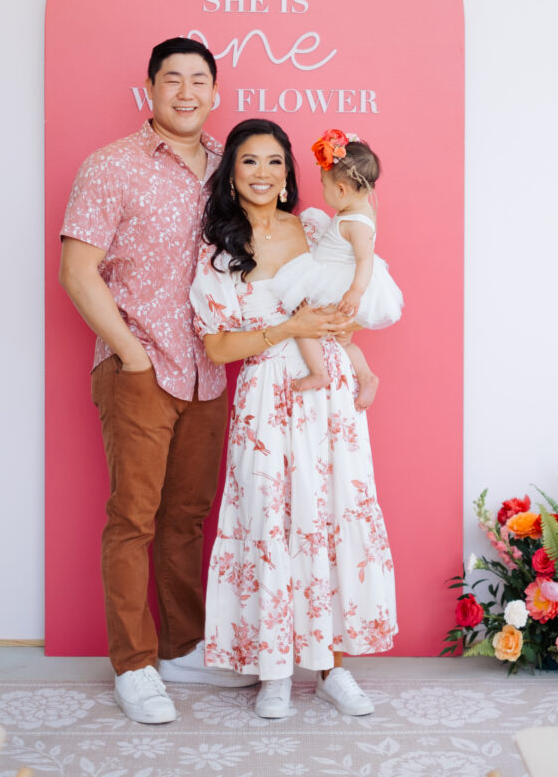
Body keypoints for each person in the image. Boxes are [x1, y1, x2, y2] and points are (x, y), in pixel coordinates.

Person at [59, 37, 255, 726]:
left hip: (207, 371)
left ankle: (181, 648)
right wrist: (131, 355)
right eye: (172, 80)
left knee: (185, 521)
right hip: (139, 365)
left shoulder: (226, 170)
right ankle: (134, 664)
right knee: (132, 521)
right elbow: (78, 273)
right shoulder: (110, 167)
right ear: (149, 88)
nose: (185, 92)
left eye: (198, 80)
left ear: (214, 92)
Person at [190, 118, 398, 720]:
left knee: (329, 516)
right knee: (269, 520)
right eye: (249, 161)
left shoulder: (316, 228)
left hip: (326, 395)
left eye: (275, 162)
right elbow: (219, 348)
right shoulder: (218, 254)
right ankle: (273, 672)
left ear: (289, 174)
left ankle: (331, 668)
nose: (263, 173)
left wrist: (343, 340)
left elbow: (349, 298)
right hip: (263, 397)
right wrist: (287, 330)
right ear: (231, 173)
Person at [272, 128, 403, 410]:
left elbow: (365, 259)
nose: (322, 190)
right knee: (342, 338)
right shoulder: (360, 209)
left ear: (341, 190)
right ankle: (367, 377)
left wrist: (355, 292)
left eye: (324, 184)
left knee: (304, 323)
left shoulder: (355, 222)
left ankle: (320, 373)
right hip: (336, 276)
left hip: (339, 282)